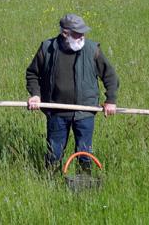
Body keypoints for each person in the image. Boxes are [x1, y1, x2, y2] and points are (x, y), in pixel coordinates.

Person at [25, 13, 119, 175]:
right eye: (77, 33)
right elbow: (32, 74)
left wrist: (110, 100)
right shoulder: (47, 48)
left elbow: (109, 75)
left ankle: (84, 182)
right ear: (65, 33)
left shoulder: (92, 49)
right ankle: (50, 182)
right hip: (56, 112)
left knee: (84, 153)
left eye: (83, 33)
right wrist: (35, 95)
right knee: (54, 153)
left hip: (85, 112)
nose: (82, 36)